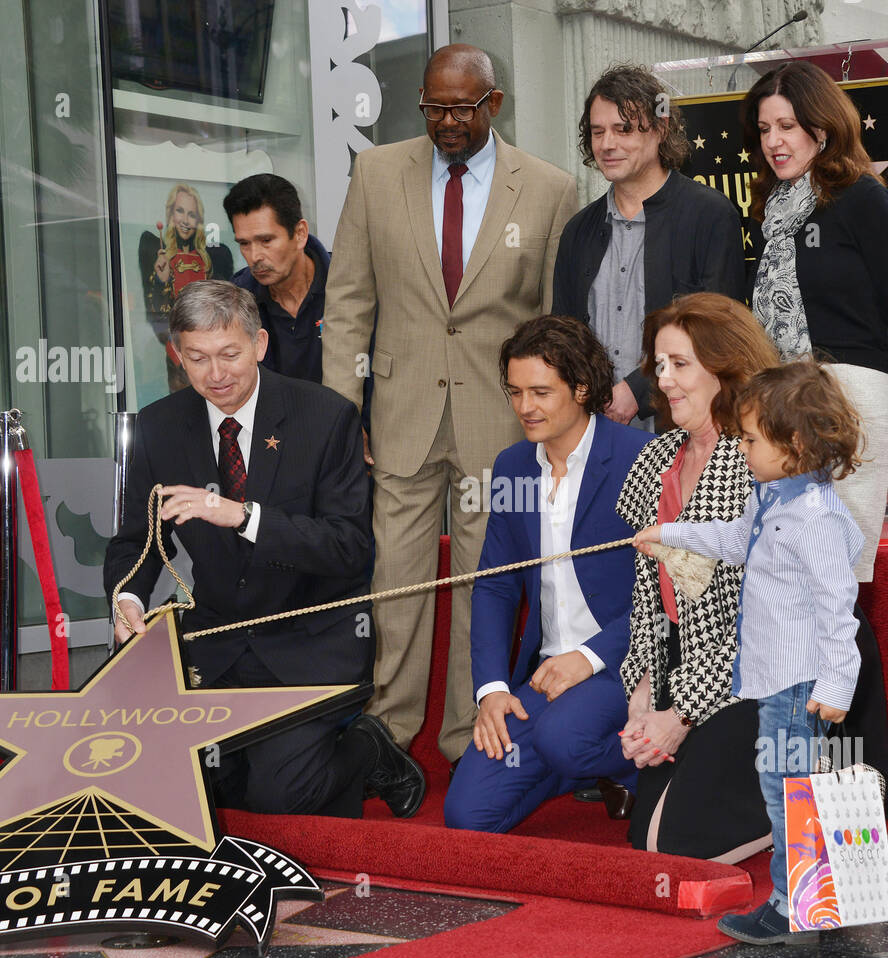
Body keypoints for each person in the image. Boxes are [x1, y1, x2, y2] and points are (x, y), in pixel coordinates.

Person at [323, 44, 578, 765]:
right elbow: (347, 303)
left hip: (499, 422)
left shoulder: (551, 189)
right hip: (398, 418)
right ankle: (387, 733)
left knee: (483, 584)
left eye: (463, 108)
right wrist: (347, 412)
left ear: (494, 104)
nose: (447, 122)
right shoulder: (375, 174)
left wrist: (548, 422)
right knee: (394, 580)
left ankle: (472, 736)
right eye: (434, 108)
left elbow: (554, 323)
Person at [104, 281, 425, 819]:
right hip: (217, 646)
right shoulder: (159, 426)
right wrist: (127, 601)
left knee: (279, 797)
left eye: (230, 353)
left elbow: (350, 550)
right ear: (177, 355)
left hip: (311, 641)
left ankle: (369, 749)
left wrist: (243, 516)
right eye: (198, 358)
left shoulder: (326, 417)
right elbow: (137, 540)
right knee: (199, 789)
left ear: (260, 344)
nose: (216, 374)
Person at [742, 60, 888, 811]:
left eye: (788, 126)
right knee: (805, 594)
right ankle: (840, 772)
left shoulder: (863, 203)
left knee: (832, 592)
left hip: (851, 404)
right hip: (785, 410)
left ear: (823, 126)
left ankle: (870, 772)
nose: (775, 141)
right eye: (763, 130)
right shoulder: (773, 208)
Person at [635, 360, 863, 944]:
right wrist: (674, 534)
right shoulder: (776, 499)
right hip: (775, 678)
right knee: (793, 786)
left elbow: (840, 607)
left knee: (786, 791)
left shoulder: (812, 517)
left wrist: (838, 682)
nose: (741, 447)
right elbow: (736, 540)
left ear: (796, 443)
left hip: (796, 683)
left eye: (751, 439)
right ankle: (825, 897)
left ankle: (792, 903)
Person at [444, 316, 653, 833]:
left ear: (581, 388)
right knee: (468, 815)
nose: (524, 407)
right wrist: (491, 689)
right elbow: (495, 584)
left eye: (541, 391)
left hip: (625, 665)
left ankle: (626, 760)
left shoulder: (641, 459)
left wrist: (587, 657)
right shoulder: (514, 466)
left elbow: (669, 597)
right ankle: (581, 767)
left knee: (565, 738)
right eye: (515, 392)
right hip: (544, 676)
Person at [614, 293, 777, 859]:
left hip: (762, 672)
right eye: (659, 366)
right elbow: (647, 604)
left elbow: (751, 622)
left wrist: (679, 712)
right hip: (684, 664)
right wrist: (642, 694)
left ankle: (813, 786)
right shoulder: (655, 460)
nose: (665, 381)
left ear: (724, 366)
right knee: (648, 841)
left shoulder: (759, 460)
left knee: (677, 846)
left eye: (680, 364)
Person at [553, 64, 746, 429]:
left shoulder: (710, 215)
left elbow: (717, 328)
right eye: (598, 132)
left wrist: (637, 389)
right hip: (595, 431)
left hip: (684, 430)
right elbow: (563, 332)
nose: (607, 144)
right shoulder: (578, 230)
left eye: (623, 129)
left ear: (660, 129)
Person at [224, 174, 329, 385]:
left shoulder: (349, 285)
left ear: (300, 233)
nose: (254, 257)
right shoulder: (234, 300)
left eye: (266, 240)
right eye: (244, 243)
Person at [138, 183, 234, 392]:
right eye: (179, 211)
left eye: (192, 214)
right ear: (170, 214)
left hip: (214, 356)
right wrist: (161, 280)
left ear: (199, 220)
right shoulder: (157, 253)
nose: (185, 220)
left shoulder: (215, 258)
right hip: (176, 355)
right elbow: (155, 317)